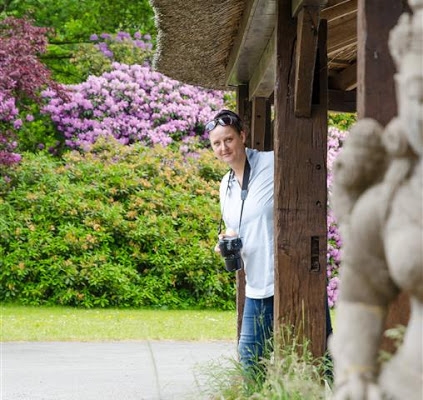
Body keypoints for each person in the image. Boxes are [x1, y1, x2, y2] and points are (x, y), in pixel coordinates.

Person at [206, 109, 333, 378]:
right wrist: (225, 243)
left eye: (228, 139)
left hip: (292, 278)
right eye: (216, 143)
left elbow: (314, 176)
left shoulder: (273, 163)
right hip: (257, 286)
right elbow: (235, 227)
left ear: (242, 136)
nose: (223, 147)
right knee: (251, 360)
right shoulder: (225, 184)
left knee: (322, 357)